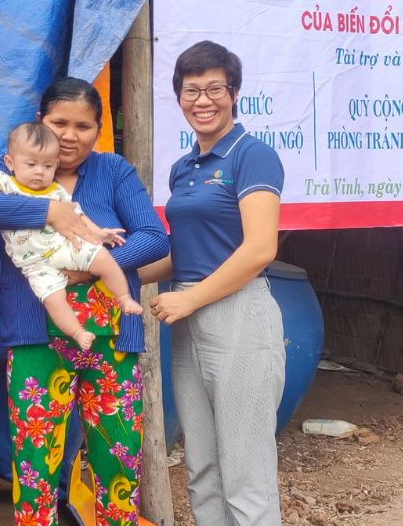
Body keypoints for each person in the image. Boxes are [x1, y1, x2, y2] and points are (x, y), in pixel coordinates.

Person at [0, 78, 168, 526]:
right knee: (35, 464)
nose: (71, 135)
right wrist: (48, 211)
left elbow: (153, 238)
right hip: (36, 337)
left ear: (97, 129)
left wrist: (95, 264)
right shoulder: (15, 168)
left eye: (84, 126)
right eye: (60, 123)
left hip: (112, 338)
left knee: (118, 457)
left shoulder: (112, 171)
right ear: (41, 121)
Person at [147, 41, 284, 526]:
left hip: (237, 314)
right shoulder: (183, 168)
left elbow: (259, 249)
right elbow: (181, 253)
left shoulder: (253, 155)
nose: (202, 101)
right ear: (179, 97)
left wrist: (190, 300)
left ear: (234, 93)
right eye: (191, 91)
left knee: (246, 472)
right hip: (188, 317)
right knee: (201, 466)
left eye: (213, 89)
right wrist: (101, 269)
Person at [0, 122, 141, 351]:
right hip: (34, 264)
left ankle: (124, 297)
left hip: (64, 249)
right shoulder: (4, 182)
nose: (39, 171)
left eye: (47, 166)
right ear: (10, 163)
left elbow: (78, 217)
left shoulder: (56, 190)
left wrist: (97, 233)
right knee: (53, 298)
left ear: (55, 165)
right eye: (31, 164)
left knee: (104, 258)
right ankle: (77, 331)